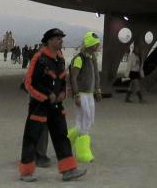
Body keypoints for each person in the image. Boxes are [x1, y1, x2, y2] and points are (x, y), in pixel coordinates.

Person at [18, 28, 86, 182]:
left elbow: (62, 80)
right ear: (49, 41)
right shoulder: (39, 58)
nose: (61, 41)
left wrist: (63, 93)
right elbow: (29, 83)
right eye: (57, 39)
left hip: (56, 107)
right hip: (39, 106)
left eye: (61, 39)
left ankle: (69, 169)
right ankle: (26, 172)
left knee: (62, 136)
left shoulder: (60, 59)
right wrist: (47, 95)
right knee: (31, 137)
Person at [68, 32, 102, 163]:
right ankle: (82, 153)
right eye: (95, 44)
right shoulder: (79, 58)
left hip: (89, 95)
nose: (98, 46)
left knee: (88, 120)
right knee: (82, 122)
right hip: (81, 94)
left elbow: (96, 76)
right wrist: (76, 94)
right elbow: (73, 77)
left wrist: (98, 90)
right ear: (89, 44)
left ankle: (67, 142)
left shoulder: (92, 58)